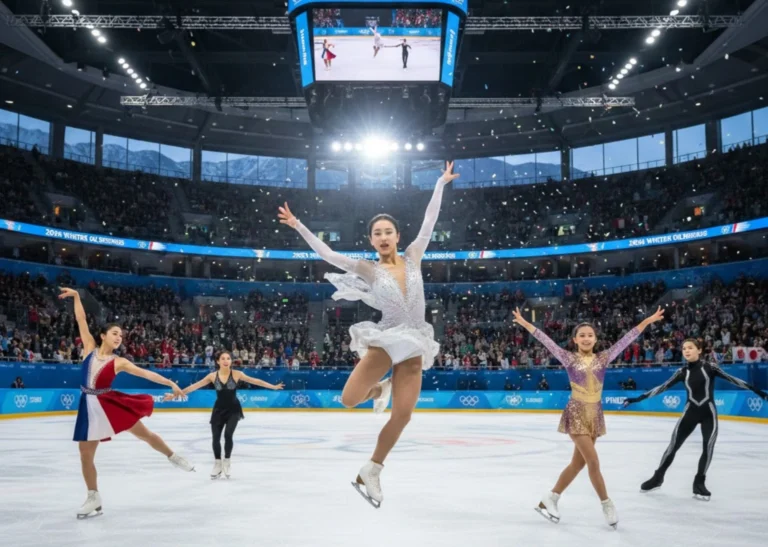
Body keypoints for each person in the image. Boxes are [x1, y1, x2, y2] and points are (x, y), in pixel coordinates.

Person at [278, 162, 459, 508]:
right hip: (390, 340)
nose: (384, 236)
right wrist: (299, 225)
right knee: (348, 399)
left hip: (415, 344)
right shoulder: (367, 268)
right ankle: (379, 388)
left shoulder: (414, 256)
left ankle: (373, 468)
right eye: (377, 233)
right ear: (371, 240)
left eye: (388, 231)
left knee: (403, 415)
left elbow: (430, 221)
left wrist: (439, 183)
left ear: (397, 236)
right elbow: (328, 255)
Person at [512, 306, 665, 529]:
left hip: (595, 414)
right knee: (593, 461)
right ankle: (606, 504)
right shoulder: (568, 358)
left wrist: (648, 320)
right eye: (581, 335)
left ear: (595, 339)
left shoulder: (603, 358)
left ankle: (550, 499)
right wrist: (525, 323)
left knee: (577, 464)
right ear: (575, 339)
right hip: (576, 412)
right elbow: (545, 340)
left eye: (590, 335)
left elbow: (627, 338)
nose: (586, 338)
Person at [58, 287, 194, 520]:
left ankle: (173, 456)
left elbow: (145, 374)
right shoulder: (89, 348)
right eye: (114, 333)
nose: (119, 337)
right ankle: (93, 496)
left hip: (109, 403)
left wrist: (170, 382)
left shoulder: (119, 361)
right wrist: (78, 297)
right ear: (103, 335)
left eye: (121, 335)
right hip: (88, 406)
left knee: (144, 434)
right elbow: (81, 319)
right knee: (85, 453)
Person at [623, 338, 768, 500]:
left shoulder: (710, 367)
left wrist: (758, 391)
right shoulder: (682, 372)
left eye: (690, 348)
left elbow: (734, 380)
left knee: (708, 447)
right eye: (684, 348)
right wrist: (636, 399)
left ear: (699, 350)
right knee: (673, 446)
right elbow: (661, 388)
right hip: (690, 413)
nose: (686, 351)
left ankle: (699, 483)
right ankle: (658, 478)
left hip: (708, 414)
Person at [166, 350, 284, 479]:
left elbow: (256, 381)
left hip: (233, 410)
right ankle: (217, 463)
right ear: (218, 361)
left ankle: (227, 461)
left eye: (228, 358)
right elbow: (194, 386)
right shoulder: (212, 376)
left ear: (231, 361)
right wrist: (174, 395)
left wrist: (273, 386)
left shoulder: (237, 374)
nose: (226, 361)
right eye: (223, 358)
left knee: (228, 435)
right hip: (218, 410)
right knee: (215, 438)